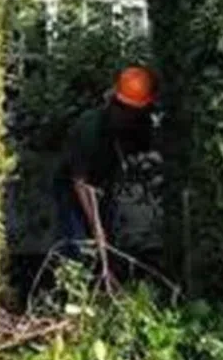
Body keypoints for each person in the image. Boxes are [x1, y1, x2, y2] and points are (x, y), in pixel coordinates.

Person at [52, 66, 158, 289]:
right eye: (126, 110)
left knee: (109, 242)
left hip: (103, 184)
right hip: (72, 187)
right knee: (78, 243)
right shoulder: (89, 127)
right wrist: (95, 226)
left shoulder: (136, 124)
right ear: (115, 104)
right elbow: (80, 181)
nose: (130, 116)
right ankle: (73, 296)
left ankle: (104, 290)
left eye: (135, 111)